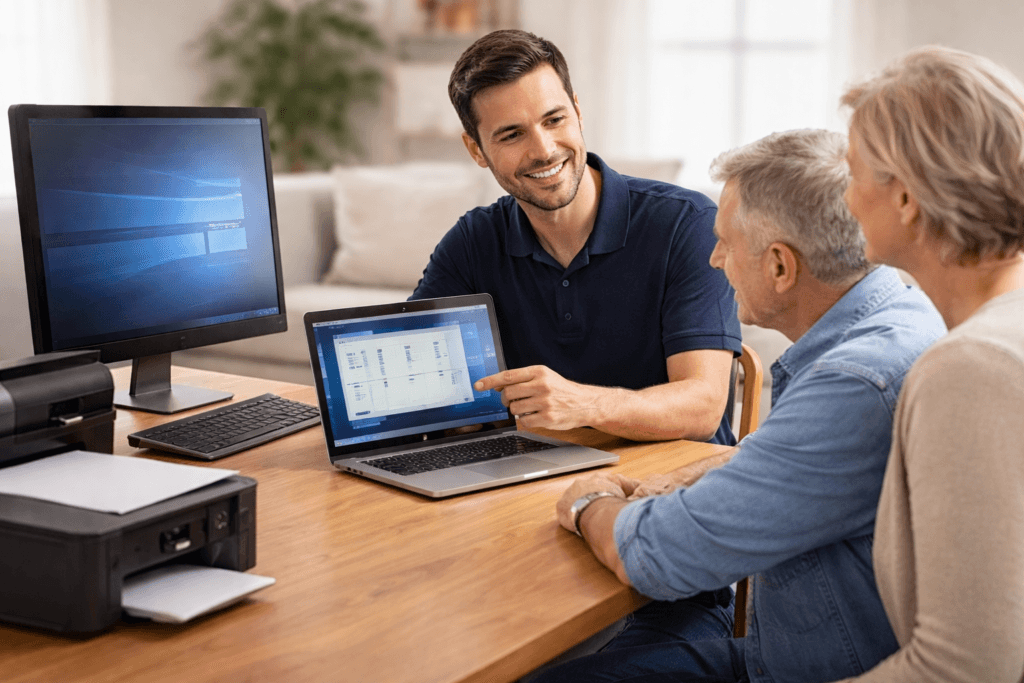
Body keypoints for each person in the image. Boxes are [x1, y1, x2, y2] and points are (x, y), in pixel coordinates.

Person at [535, 129, 946, 682]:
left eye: (726, 241)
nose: (714, 258)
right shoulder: (901, 310)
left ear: (780, 266)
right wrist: (691, 475)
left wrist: (589, 504)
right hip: (787, 649)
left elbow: (659, 556)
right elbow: (792, 463)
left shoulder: (851, 383)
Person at [411, 29, 742, 444]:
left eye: (554, 119)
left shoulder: (686, 225)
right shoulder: (472, 242)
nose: (544, 149)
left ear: (578, 113)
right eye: (512, 134)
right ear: (476, 150)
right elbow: (417, 384)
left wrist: (583, 405)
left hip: (673, 484)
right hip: (532, 479)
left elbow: (704, 408)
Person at [834, 46, 1024, 682]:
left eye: (854, 171)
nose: (848, 197)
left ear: (907, 197)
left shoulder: (971, 369)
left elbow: (963, 669)